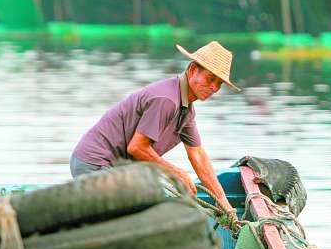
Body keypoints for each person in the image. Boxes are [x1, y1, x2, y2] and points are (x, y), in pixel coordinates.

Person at [70, 41, 239, 212]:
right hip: (94, 163)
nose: (214, 87)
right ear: (193, 70)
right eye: (211, 78)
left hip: (115, 169)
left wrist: (222, 200)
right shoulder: (167, 99)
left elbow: (198, 155)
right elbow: (137, 147)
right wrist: (176, 173)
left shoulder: (186, 110)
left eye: (219, 83)